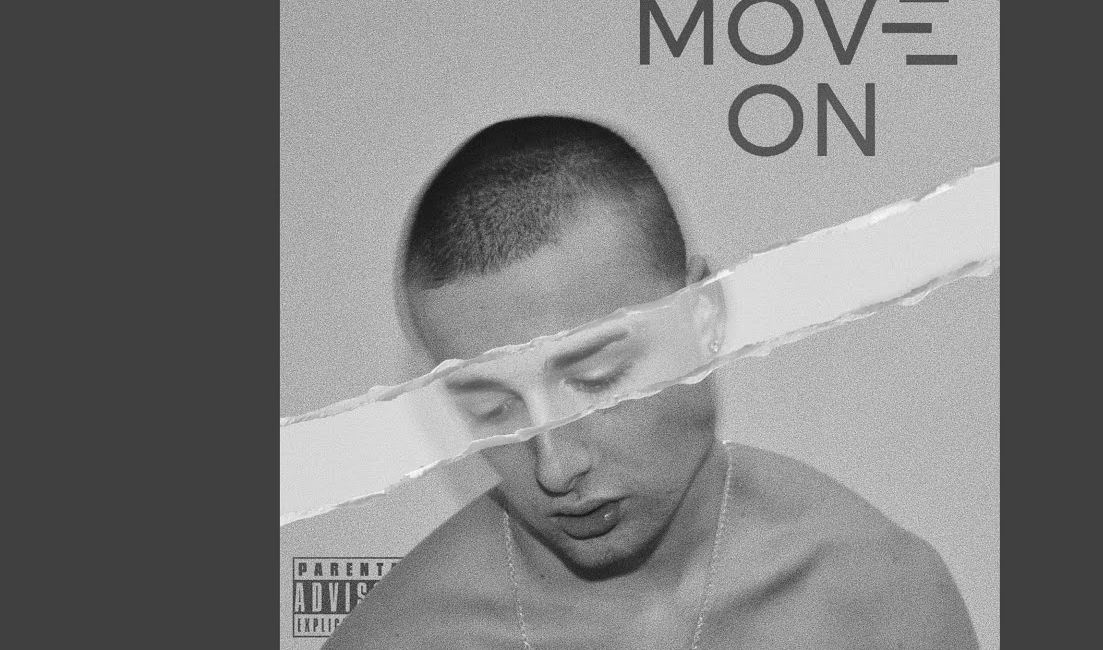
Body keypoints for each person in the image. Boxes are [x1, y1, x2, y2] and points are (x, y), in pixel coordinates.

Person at [323, 116, 978, 650]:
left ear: (705, 317)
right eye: (492, 409)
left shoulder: (881, 602)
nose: (555, 466)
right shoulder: (402, 637)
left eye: (595, 380)